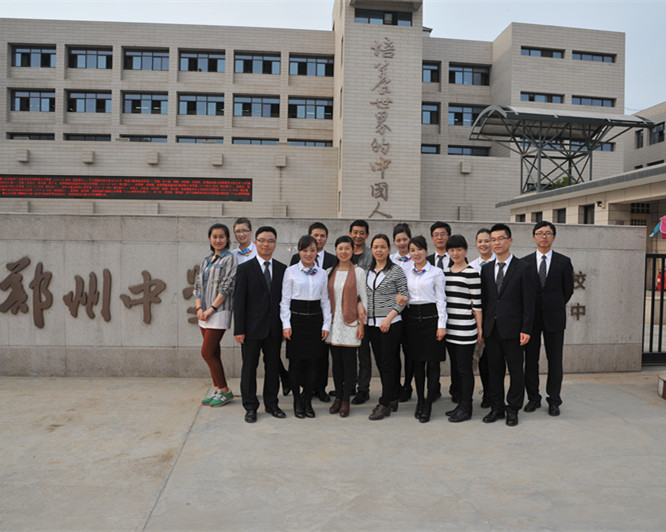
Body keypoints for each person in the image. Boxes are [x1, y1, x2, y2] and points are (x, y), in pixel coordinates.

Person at [480, 223, 536, 427]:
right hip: (492, 330)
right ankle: (497, 408)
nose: (496, 243)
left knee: (515, 371)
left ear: (510, 240)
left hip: (514, 330)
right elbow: (486, 301)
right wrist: (483, 328)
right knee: (494, 371)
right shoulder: (486, 270)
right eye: (492, 239)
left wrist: (526, 329)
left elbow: (529, 302)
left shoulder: (523, 268)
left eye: (500, 238)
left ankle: (513, 409)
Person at [233, 226, 287, 423]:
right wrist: (239, 329)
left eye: (270, 241)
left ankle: (272, 404)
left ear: (275, 244)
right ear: (255, 243)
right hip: (251, 330)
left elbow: (284, 301)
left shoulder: (282, 269)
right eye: (262, 240)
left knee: (272, 368)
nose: (266, 244)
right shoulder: (245, 269)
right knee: (249, 369)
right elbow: (239, 302)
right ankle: (250, 406)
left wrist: (284, 326)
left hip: (274, 329)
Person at [522, 221, 574, 417]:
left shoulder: (564, 262)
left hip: (554, 318)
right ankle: (533, 398)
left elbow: (567, 290)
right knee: (531, 360)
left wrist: (553, 304)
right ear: (533, 237)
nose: (544, 236)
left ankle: (554, 400)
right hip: (531, 319)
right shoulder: (524, 262)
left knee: (555, 361)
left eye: (548, 233)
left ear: (554, 237)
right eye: (540, 233)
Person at [281, 235, 332, 419]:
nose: (309, 254)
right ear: (299, 251)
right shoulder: (290, 271)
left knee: (313, 363)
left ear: (317, 251)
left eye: (312, 250)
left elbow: (325, 301)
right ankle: (297, 401)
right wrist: (286, 324)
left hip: (315, 321)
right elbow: (285, 301)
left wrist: (326, 324)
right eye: (305, 250)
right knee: (295, 363)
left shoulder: (322, 273)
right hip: (296, 321)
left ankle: (308, 400)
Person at [290, 222, 338, 403]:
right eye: (315, 235)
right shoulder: (296, 259)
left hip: (320, 314)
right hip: (300, 315)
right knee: (301, 357)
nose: (318, 238)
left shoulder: (332, 260)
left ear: (326, 238)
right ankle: (305, 390)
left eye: (322, 235)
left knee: (322, 355)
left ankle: (321, 388)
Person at [364, 234, 409, 420]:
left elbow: (404, 297)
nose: (379, 250)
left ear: (389, 249)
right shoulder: (367, 271)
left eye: (383, 247)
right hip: (372, 324)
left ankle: (385, 402)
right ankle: (392, 397)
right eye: (375, 247)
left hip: (390, 323)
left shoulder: (396, 270)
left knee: (389, 363)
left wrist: (389, 318)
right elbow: (363, 295)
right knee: (381, 362)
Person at [403, 235, 447, 423]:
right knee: (417, 364)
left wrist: (441, 325)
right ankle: (420, 400)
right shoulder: (406, 271)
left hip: (432, 320)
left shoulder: (436, 272)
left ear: (426, 250)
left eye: (419, 249)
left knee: (433, 364)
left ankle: (429, 403)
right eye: (412, 250)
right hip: (412, 320)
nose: (416, 253)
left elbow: (441, 300)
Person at [195, 223, 237, 408]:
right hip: (203, 312)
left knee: (207, 352)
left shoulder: (230, 258)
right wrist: (199, 309)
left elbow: (228, 285)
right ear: (209, 239)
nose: (218, 240)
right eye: (214, 236)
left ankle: (225, 390)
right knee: (214, 352)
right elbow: (198, 285)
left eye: (221, 236)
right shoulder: (206, 260)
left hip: (218, 311)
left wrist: (211, 308)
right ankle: (218, 389)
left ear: (227, 239)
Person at [326, 236, 367, 418]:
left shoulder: (359, 272)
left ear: (352, 250)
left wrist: (362, 324)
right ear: (336, 250)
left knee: (349, 363)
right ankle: (338, 396)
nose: (343, 252)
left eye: (347, 248)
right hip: (333, 324)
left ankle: (345, 400)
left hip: (351, 323)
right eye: (340, 248)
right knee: (336, 363)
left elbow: (363, 298)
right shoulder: (329, 271)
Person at [443, 235, 482, 423]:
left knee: (465, 369)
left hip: (465, 330)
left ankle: (467, 408)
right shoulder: (445, 273)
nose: (455, 253)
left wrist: (480, 330)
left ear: (465, 250)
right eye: (451, 250)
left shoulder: (472, 273)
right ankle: (460, 404)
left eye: (459, 249)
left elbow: (477, 305)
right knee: (456, 369)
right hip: (449, 330)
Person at [468, 228, 495, 408]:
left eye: (487, 241)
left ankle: (495, 394)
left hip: (495, 318)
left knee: (494, 359)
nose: (483, 244)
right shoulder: (471, 266)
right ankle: (486, 393)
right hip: (477, 319)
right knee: (482, 359)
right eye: (480, 241)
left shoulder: (501, 264)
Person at [389, 223, 415, 403]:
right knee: (393, 351)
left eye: (405, 239)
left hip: (410, 312)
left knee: (409, 351)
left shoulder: (417, 258)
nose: (402, 243)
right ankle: (396, 385)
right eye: (398, 240)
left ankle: (407, 385)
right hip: (393, 312)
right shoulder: (390, 259)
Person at [427, 221, 452, 402]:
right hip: (433, 316)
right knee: (432, 357)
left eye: (443, 234)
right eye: (436, 235)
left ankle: (456, 390)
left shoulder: (458, 257)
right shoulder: (426, 261)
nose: (440, 237)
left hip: (455, 313)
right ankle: (433, 389)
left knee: (456, 356)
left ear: (448, 236)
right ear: (432, 238)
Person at [349, 219, 373, 406]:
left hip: (365, 310)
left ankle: (363, 389)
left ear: (367, 235)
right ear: (350, 234)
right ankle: (348, 385)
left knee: (363, 353)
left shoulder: (372, 256)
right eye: (355, 232)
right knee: (347, 352)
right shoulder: (344, 252)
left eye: (362, 232)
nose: (358, 236)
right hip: (345, 311)